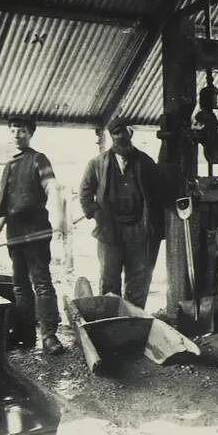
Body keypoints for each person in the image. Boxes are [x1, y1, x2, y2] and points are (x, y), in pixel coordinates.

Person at [0, 115, 65, 355]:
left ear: (30, 134)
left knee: (41, 282)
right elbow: (2, 208)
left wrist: (59, 218)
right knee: (19, 285)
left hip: (37, 231)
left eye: (22, 131)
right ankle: (25, 333)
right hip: (15, 234)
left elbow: (52, 186)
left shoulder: (38, 159)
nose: (17, 134)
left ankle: (49, 336)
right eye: (13, 130)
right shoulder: (9, 166)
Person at [79, 119, 164, 309]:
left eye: (124, 132)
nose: (121, 136)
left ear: (131, 133)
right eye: (116, 133)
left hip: (138, 229)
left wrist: (151, 218)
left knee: (138, 277)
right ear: (111, 136)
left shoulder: (145, 161)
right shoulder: (97, 163)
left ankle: (134, 319)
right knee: (109, 277)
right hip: (110, 229)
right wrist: (95, 213)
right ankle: (110, 319)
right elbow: (85, 191)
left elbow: (158, 191)